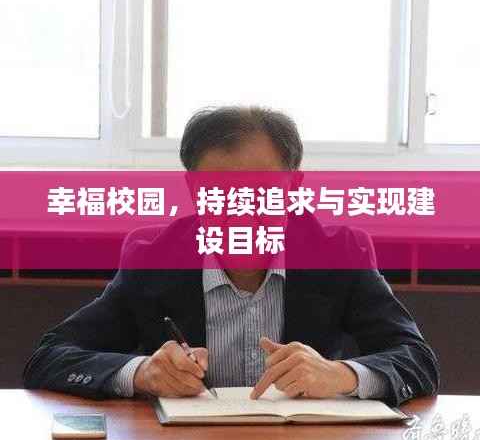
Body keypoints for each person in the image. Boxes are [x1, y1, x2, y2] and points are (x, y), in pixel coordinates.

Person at [23, 106, 439, 406]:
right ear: (193, 190)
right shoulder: (154, 259)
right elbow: (49, 357)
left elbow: (418, 360)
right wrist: (142, 373)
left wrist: (340, 375)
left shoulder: (338, 253)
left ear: (294, 187)